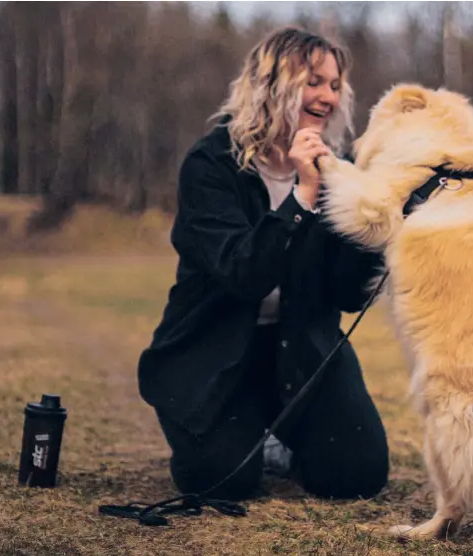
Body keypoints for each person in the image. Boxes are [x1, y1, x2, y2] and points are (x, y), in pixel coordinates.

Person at [137, 27, 389, 502]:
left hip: (302, 348)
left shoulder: (339, 169)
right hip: (215, 351)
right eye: (314, 81)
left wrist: (372, 226)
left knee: (358, 476)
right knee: (219, 481)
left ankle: (282, 436)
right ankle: (245, 436)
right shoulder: (212, 164)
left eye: (335, 85)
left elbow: (347, 295)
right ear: (272, 83)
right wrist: (302, 197)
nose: (328, 97)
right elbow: (243, 274)